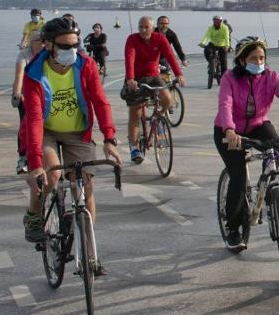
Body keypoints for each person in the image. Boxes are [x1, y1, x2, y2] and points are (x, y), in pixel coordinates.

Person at [21, 17, 120, 252]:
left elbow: (100, 102)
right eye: (65, 47)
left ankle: (89, 253)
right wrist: (35, 164)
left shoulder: (85, 65)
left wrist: (109, 137)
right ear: (48, 45)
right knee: (50, 176)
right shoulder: (34, 72)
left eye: (75, 45)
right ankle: (34, 213)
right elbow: (34, 119)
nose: (72, 51)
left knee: (83, 187)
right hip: (46, 132)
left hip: (78, 133)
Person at [215, 37, 279, 252]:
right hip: (229, 130)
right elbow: (225, 104)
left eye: (261, 58)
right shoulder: (229, 78)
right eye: (253, 58)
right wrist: (229, 130)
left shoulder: (271, 77)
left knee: (276, 147)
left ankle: (270, 188)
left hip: (258, 124)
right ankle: (233, 228)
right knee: (238, 177)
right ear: (241, 61)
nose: (258, 62)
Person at [122, 16, 185, 163]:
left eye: (146, 27)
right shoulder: (132, 39)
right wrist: (130, 78)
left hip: (153, 76)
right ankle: (135, 147)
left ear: (152, 28)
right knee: (135, 113)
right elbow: (129, 57)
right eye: (141, 27)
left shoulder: (160, 38)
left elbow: (170, 55)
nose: (143, 30)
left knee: (167, 99)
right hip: (135, 79)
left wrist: (179, 74)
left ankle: (158, 118)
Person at [12, 31, 45, 174]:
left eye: (44, 40)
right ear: (31, 42)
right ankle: (22, 158)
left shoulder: (48, 54)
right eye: (38, 40)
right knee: (25, 127)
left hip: (44, 95)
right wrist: (17, 93)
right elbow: (19, 75)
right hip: (26, 94)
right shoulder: (24, 55)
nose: (42, 43)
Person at [199, 15, 232, 80]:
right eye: (214, 21)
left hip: (222, 45)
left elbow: (227, 37)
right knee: (206, 50)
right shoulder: (210, 28)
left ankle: (224, 77)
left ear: (221, 22)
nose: (216, 22)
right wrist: (202, 43)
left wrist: (227, 45)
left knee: (224, 62)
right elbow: (206, 36)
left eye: (217, 21)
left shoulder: (225, 28)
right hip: (213, 44)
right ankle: (211, 64)